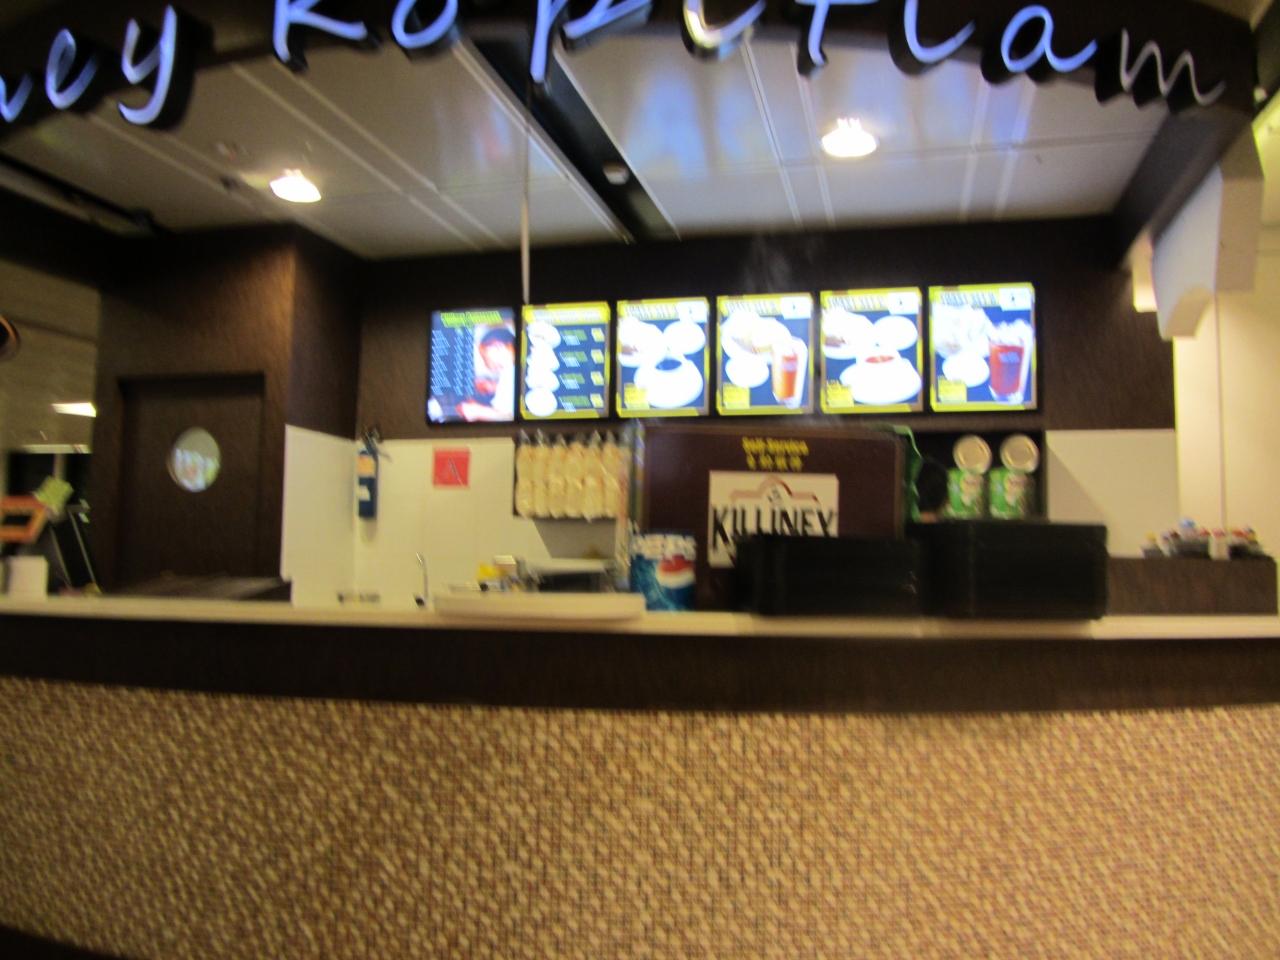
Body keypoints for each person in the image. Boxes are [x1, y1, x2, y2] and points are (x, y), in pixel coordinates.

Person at [457, 325, 516, 422]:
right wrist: (493, 386)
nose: (485, 364)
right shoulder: (508, 370)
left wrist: (477, 411)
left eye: (484, 357)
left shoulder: (511, 372)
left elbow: (510, 417)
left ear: (497, 347)